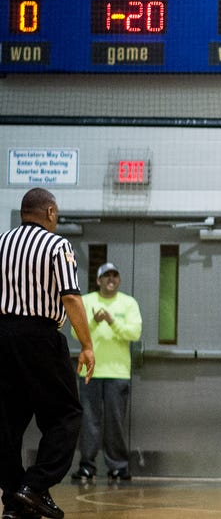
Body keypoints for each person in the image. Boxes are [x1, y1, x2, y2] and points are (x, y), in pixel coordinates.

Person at [0, 188, 95, 519]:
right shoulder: (57, 245)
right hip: (40, 337)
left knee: (8, 420)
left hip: (3, 336)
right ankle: (35, 486)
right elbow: (70, 297)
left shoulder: (1, 242)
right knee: (65, 415)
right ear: (51, 212)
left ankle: (14, 499)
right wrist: (86, 345)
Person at [70, 262, 142, 482]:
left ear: (118, 280)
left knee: (115, 422)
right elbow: (75, 332)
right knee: (88, 421)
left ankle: (118, 467)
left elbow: (135, 332)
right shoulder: (87, 300)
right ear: (98, 280)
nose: (111, 279)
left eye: (115, 275)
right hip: (90, 372)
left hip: (118, 373)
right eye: (106, 275)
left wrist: (111, 321)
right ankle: (87, 467)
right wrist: (93, 320)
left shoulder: (128, 303)